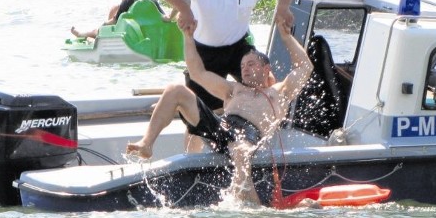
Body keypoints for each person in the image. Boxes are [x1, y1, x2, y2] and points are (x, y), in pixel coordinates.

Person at [126, 18, 313, 205]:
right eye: (242, 66)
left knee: (240, 149)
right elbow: (197, 72)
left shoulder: (280, 93)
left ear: (266, 69)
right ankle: (147, 143)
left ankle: (249, 206)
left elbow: (305, 67)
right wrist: (188, 37)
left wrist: (287, 37)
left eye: (250, 64)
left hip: (249, 135)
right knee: (175, 89)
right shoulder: (233, 89)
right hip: (222, 126)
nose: (244, 69)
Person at [151, 0, 299, 149]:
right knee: (197, 113)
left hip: (238, 46)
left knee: (267, 85)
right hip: (206, 50)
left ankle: (264, 145)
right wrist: (184, 9)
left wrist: (284, 6)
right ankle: (192, 159)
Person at [70, 0, 165, 39]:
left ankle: (81, 35)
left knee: (98, 31)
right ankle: (83, 35)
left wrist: (103, 25)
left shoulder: (127, 2)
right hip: (151, 35)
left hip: (130, 37)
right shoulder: (152, 0)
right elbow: (163, 17)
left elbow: (114, 21)